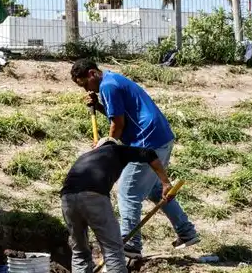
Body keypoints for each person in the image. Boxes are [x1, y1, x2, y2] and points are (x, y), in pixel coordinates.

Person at [70, 59, 199, 259]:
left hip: (148, 142)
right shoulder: (111, 80)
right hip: (161, 137)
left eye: (85, 84)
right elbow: (121, 114)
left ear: (92, 73)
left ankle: (130, 245)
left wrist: (106, 147)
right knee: (155, 189)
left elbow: (118, 125)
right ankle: (186, 232)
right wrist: (98, 106)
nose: (87, 89)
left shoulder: (108, 86)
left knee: (128, 191)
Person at [61, 136, 176, 273]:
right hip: (94, 196)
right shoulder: (116, 150)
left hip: (67, 199)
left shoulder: (85, 156)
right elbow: (149, 153)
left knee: (80, 250)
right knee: (113, 250)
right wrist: (165, 182)